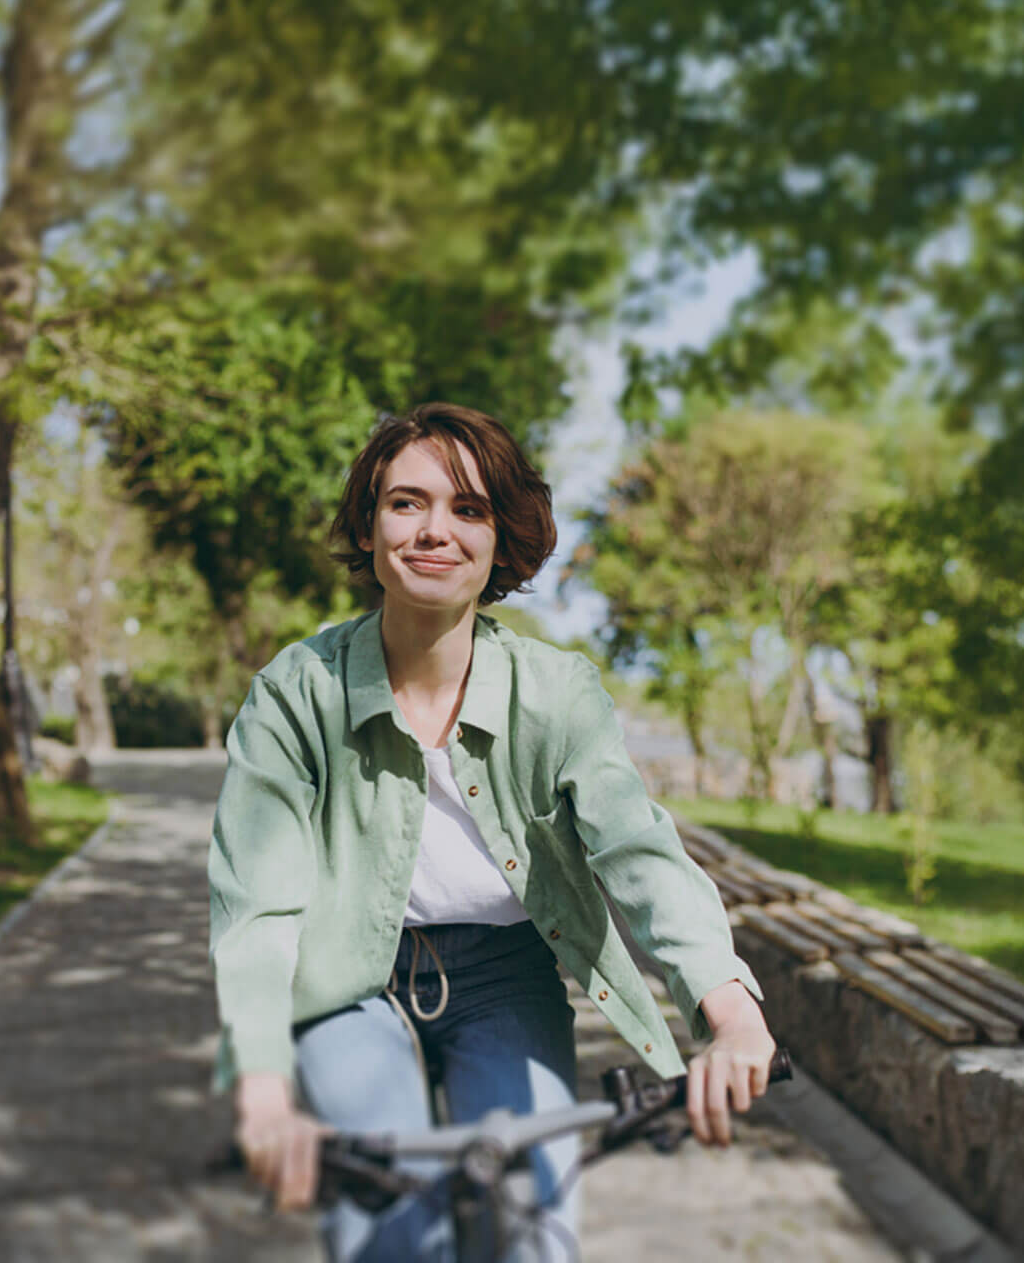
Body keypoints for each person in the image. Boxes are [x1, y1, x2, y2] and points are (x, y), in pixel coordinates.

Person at [208, 403, 777, 1262]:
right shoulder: (297, 694)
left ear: (500, 539)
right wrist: (261, 1091)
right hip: (343, 982)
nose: (435, 529)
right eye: (407, 503)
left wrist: (730, 1016)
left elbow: (638, 852)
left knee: (532, 1227)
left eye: (468, 509)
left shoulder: (557, 694)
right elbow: (256, 911)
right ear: (368, 528)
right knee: (392, 1218)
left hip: (504, 978)